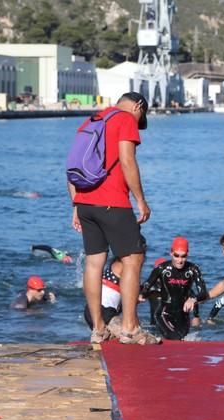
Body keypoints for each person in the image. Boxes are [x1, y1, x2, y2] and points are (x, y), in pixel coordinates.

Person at [68, 91, 160, 345]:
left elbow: (72, 166)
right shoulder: (125, 119)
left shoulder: (92, 120)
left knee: (94, 263)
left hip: (85, 201)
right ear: (139, 106)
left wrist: (76, 204)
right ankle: (130, 328)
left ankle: (98, 328)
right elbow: (127, 160)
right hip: (113, 201)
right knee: (134, 258)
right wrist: (140, 198)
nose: (138, 122)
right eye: (141, 116)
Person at [138, 237, 207, 340]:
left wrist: (193, 300)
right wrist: (141, 294)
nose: (180, 260)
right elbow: (147, 285)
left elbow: (203, 293)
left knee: (181, 342)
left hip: (183, 316)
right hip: (164, 313)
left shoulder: (193, 269)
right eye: (176, 256)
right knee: (175, 338)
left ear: (188, 254)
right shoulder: (162, 268)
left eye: (183, 256)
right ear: (171, 253)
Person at [83, 257, 123, 334]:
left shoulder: (113, 266)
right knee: (130, 334)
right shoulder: (124, 266)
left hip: (90, 310)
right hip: (106, 312)